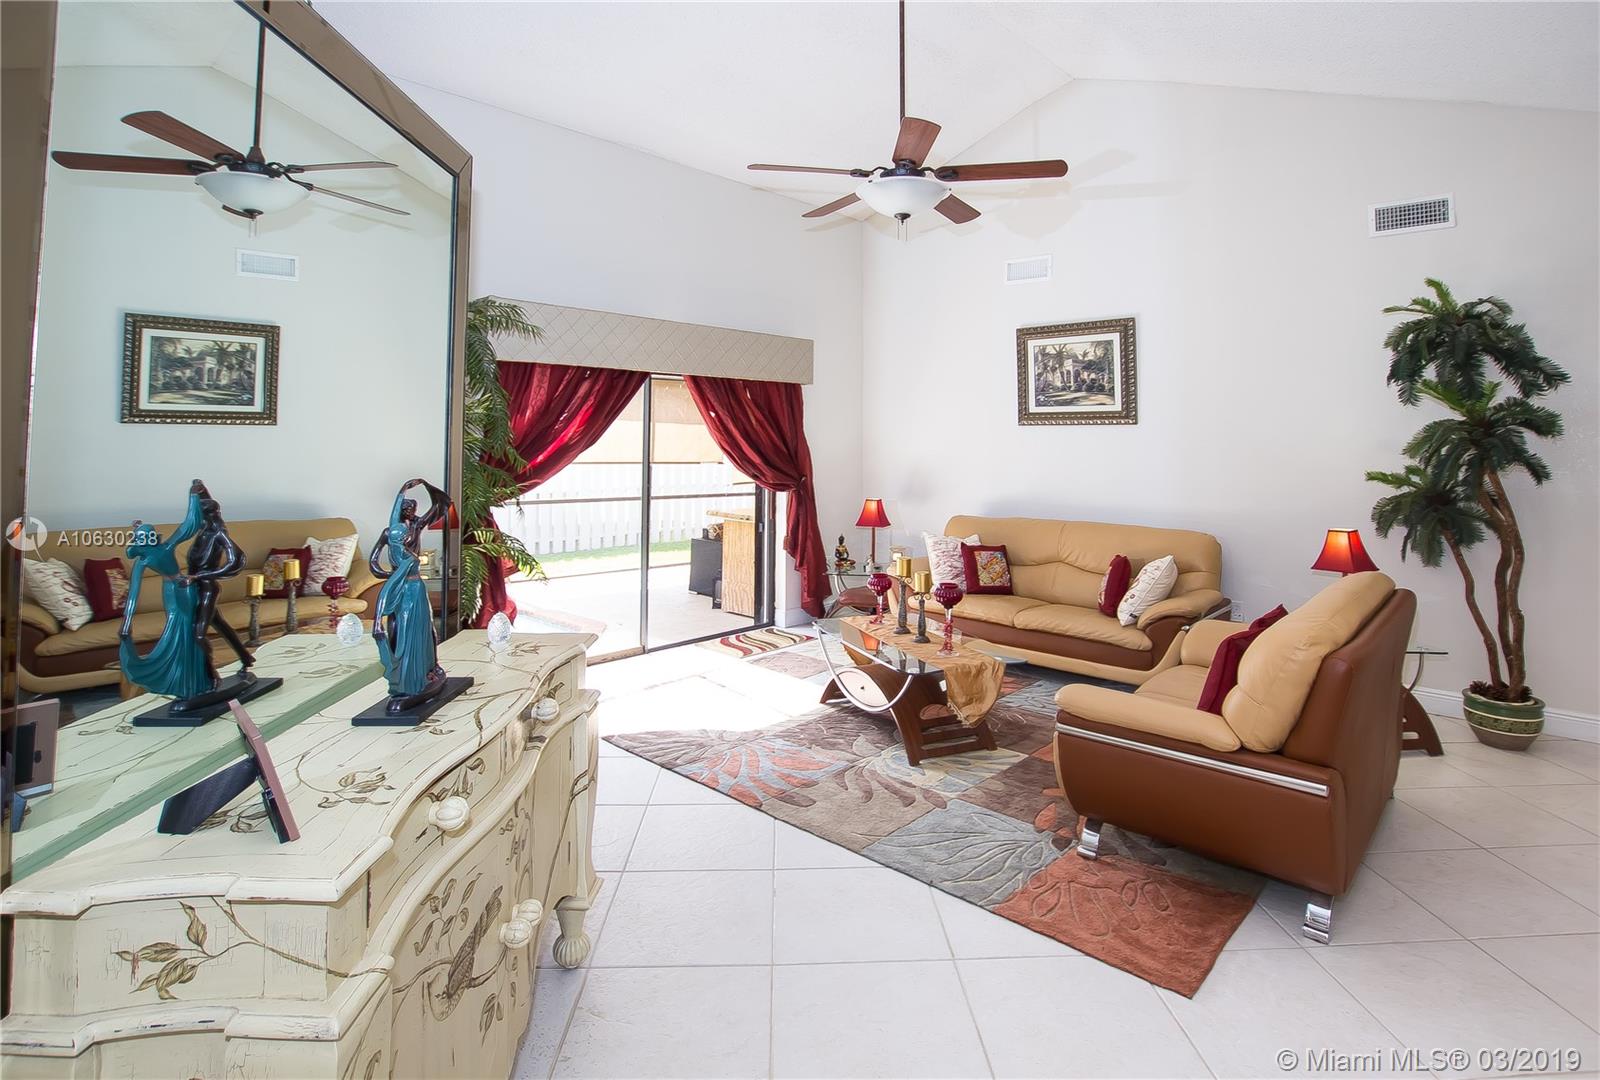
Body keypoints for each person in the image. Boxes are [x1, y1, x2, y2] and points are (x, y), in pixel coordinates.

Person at [370, 478, 451, 714]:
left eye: (413, 509)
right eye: (406, 508)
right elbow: (373, 564)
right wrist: (393, 575)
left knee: (427, 630)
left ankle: (430, 669)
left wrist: (425, 485)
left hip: (415, 587)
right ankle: (404, 678)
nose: (411, 512)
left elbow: (437, 509)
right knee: (397, 631)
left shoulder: (415, 526)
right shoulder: (390, 532)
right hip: (402, 587)